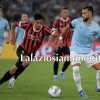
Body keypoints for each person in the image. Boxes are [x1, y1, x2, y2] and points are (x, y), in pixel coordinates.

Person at [0, 13, 55, 88]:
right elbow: (13, 24)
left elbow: (54, 33)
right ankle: (12, 78)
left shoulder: (44, 29)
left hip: (32, 53)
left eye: (41, 23)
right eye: (37, 23)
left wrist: (53, 37)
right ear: (33, 22)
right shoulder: (28, 25)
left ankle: (13, 78)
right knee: (26, 61)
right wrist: (12, 35)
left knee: (14, 69)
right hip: (22, 49)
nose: (39, 25)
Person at [70, 6, 100, 98]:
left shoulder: (96, 27)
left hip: (87, 52)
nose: (83, 15)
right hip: (75, 50)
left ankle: (98, 87)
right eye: (82, 13)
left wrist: (92, 39)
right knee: (75, 69)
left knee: (99, 68)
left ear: (90, 13)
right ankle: (80, 91)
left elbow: (97, 36)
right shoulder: (76, 21)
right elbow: (68, 28)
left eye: (85, 13)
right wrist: (60, 38)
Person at [52, 7, 72, 80]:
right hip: (58, 44)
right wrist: (55, 42)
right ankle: (55, 75)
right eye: (63, 12)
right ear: (61, 13)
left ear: (68, 13)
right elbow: (53, 32)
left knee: (68, 60)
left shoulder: (71, 22)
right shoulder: (57, 21)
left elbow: (73, 31)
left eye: (66, 12)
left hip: (66, 44)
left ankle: (62, 72)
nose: (65, 14)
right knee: (56, 60)